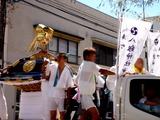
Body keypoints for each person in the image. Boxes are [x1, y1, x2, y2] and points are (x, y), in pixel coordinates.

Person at [74, 47, 115, 120]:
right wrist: (116, 74)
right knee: (95, 114)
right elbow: (103, 71)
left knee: (84, 116)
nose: (95, 58)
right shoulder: (90, 64)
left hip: (84, 94)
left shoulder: (82, 65)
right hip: (85, 95)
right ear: (87, 56)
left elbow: (76, 81)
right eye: (93, 56)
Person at [42, 52, 74, 120]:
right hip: (51, 93)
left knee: (62, 114)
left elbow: (69, 85)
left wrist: (68, 98)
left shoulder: (68, 71)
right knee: (52, 114)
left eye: (60, 57)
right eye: (58, 57)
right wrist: (44, 64)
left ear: (65, 60)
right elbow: (44, 70)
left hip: (61, 95)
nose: (58, 59)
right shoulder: (53, 66)